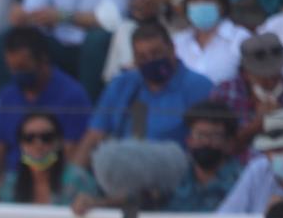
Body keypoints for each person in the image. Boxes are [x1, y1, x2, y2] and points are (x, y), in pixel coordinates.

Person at [71, 22, 213, 169]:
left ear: (172, 49)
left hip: (173, 172)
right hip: (123, 170)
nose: (150, 60)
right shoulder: (122, 84)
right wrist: (72, 179)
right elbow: (94, 136)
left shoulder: (198, 87)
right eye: (142, 57)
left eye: (156, 53)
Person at [0, 25, 92, 190]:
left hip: (54, 185)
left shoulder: (72, 95)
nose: (16, 74)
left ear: (43, 60)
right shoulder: (8, 94)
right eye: (12, 69)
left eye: (22, 68)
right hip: (12, 185)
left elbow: (72, 155)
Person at [209, 33, 283, 159]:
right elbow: (215, 149)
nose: (270, 81)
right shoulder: (224, 93)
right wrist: (256, 125)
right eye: (263, 75)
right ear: (246, 72)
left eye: (275, 74)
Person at [2, 0, 114, 99]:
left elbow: (112, 18)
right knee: (8, 37)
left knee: (95, 41)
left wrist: (64, 16)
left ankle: (87, 110)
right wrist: (23, 14)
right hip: (55, 41)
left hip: (91, 45)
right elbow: (33, 5)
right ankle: (11, 106)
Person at [0, 111, 99, 205]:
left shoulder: (78, 179)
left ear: (59, 142)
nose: (38, 144)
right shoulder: (10, 184)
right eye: (29, 138)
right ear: (21, 145)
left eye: (46, 137)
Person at [162, 100, 241, 212]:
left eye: (214, 136)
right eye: (200, 135)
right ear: (189, 140)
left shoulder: (241, 181)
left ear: (229, 143)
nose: (205, 142)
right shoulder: (173, 176)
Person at [173, 0, 247, 86]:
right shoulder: (178, 42)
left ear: (221, 5)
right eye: (194, 0)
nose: (201, 5)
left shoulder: (239, 38)